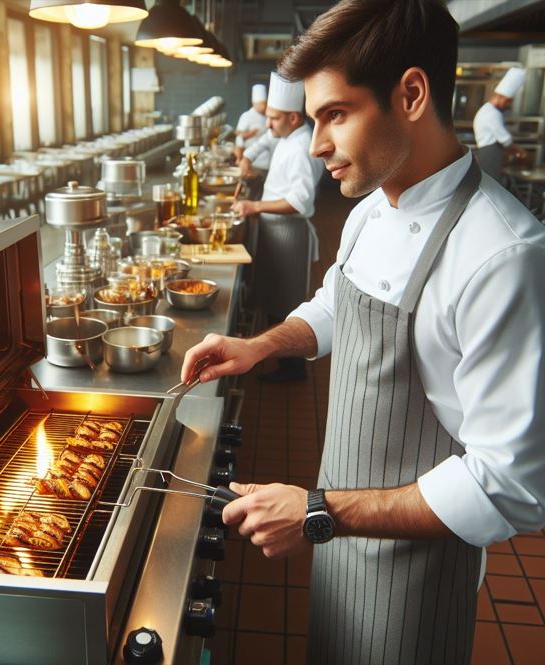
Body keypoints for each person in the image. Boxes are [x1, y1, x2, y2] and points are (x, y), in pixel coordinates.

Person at [180, 1, 545, 663]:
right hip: (339, 535)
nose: (316, 146)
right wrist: (262, 344)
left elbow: (509, 483)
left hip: (417, 573)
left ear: (410, 94)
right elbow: (334, 303)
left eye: (335, 115)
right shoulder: (373, 209)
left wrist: (322, 508)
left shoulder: (501, 254)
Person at [232, 71, 324, 382]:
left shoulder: (300, 148)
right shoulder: (286, 134)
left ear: (295, 117)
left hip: (289, 235)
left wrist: (254, 205)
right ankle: (283, 363)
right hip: (276, 231)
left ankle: (293, 369)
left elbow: (300, 201)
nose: (267, 124)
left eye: (273, 118)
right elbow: (262, 141)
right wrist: (246, 157)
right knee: (275, 300)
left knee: (287, 303)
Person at [473, 67, 528, 182]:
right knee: (491, 184)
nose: (508, 105)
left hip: (489, 153)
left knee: (490, 183)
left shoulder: (488, 110)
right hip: (489, 154)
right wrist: (519, 151)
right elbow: (505, 139)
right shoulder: (491, 113)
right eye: (508, 101)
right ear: (501, 97)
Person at [233, 83, 274, 171]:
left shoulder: (268, 116)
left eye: (265, 103)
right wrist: (239, 157)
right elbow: (239, 137)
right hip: (252, 161)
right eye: (261, 104)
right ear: (254, 103)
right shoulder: (247, 116)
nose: (264, 106)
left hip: (268, 160)